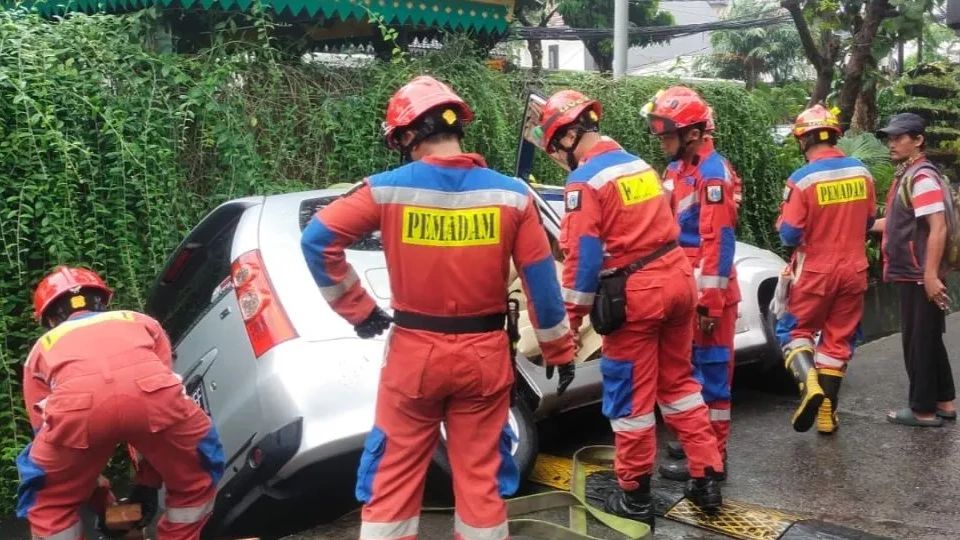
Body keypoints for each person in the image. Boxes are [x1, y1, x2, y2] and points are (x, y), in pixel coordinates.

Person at [301, 75, 576, 540]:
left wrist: (360, 310)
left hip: (413, 358)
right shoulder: (511, 195)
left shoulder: (386, 190)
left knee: (393, 479)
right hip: (485, 358)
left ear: (409, 135)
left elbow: (318, 240)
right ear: (456, 129)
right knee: (480, 480)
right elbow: (541, 284)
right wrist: (559, 351)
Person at [535, 88, 724, 530]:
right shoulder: (637, 164)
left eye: (554, 147)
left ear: (566, 136)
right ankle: (707, 475)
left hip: (637, 295)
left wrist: (567, 330)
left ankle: (634, 494)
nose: (557, 158)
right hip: (678, 279)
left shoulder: (585, 182)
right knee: (680, 384)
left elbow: (582, 264)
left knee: (631, 401)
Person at [17, 266, 225, 540]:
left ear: (49, 318)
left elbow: (49, 437)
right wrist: (147, 484)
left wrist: (99, 498)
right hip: (156, 399)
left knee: (49, 503)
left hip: (75, 415)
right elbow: (153, 400)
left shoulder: (40, 350)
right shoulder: (140, 322)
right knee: (197, 477)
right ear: (102, 301)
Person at [643, 86, 741, 480]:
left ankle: (714, 457)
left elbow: (720, 240)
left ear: (694, 133)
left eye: (668, 134)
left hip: (709, 289)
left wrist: (710, 302)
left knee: (712, 373)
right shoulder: (675, 170)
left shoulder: (713, 174)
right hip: (684, 283)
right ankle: (693, 442)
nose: (663, 141)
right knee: (686, 372)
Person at [774, 104, 876, 434]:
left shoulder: (802, 179)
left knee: (793, 331)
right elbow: (870, 220)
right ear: (834, 135)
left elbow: (789, 234)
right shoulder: (862, 172)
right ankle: (827, 415)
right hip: (854, 268)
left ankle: (809, 385)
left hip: (814, 270)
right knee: (837, 340)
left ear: (803, 141)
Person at [874, 112, 956, 427]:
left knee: (917, 341)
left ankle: (922, 409)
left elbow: (938, 229)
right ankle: (944, 402)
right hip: (920, 271)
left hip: (918, 273)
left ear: (918, 140)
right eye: (890, 138)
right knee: (930, 337)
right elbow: (898, 223)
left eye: (899, 138)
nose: (891, 144)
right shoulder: (913, 175)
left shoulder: (921, 178)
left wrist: (930, 275)